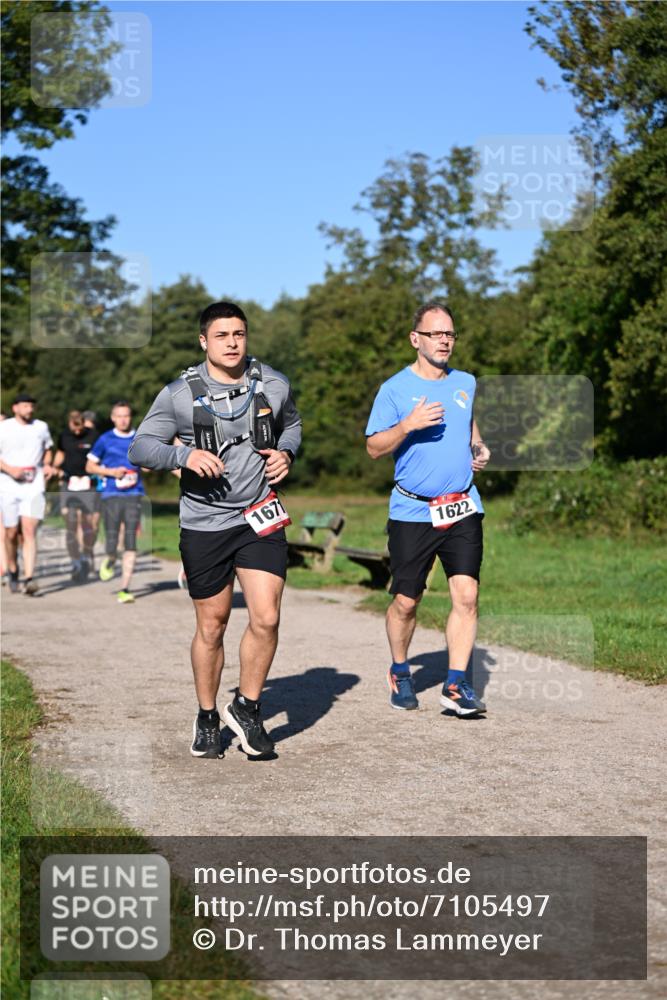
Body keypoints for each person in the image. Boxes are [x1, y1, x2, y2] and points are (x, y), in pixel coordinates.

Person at [129, 301, 302, 760]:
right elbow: (140, 447)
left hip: (259, 515)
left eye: (239, 334)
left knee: (266, 616)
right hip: (204, 522)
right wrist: (182, 456)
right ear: (204, 341)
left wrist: (286, 452)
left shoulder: (274, 384)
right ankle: (207, 715)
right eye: (222, 335)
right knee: (213, 624)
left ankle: (247, 707)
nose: (232, 343)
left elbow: (294, 425)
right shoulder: (178, 395)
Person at [366, 302, 491, 715]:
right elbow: (373, 448)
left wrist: (477, 446)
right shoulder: (395, 390)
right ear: (415, 339)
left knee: (467, 595)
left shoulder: (466, 382)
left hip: (462, 505)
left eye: (450, 334)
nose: (445, 341)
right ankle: (401, 670)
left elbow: (468, 421)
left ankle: (455, 686)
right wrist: (407, 425)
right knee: (407, 601)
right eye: (437, 334)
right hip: (412, 511)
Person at [86, 401, 145, 604]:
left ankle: (124, 588)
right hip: (111, 495)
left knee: (130, 541)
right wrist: (111, 472)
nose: (123, 420)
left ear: (131, 417)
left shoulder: (140, 438)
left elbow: (148, 464)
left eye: (126, 416)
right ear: (112, 418)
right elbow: (90, 466)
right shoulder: (105, 439)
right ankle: (111, 558)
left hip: (134, 494)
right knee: (112, 540)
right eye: (119, 416)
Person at [0, 392, 56, 594]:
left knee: (30, 531)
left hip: (34, 484)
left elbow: (48, 449)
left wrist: (48, 464)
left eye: (31, 406)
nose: (29, 409)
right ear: (15, 408)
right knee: (11, 532)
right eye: (25, 406)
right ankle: (12, 568)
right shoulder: (4, 428)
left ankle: (29, 578)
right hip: (8, 485)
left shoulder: (41, 427)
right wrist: (9, 470)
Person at [53, 409, 99, 581]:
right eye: (75, 429)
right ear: (69, 424)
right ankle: (76, 562)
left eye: (80, 428)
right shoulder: (64, 435)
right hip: (69, 483)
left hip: (88, 483)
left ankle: (87, 556)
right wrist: (54, 468)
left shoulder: (93, 435)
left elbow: (100, 455)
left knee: (89, 525)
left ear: (83, 422)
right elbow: (60, 453)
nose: (78, 432)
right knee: (71, 524)